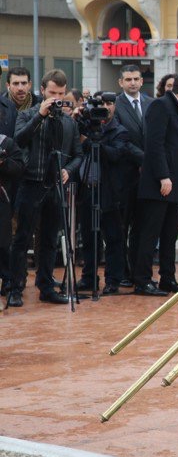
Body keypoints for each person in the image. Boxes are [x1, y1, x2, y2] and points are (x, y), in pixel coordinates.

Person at [9, 69, 83, 306]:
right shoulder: (27, 114)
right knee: (22, 238)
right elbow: (18, 141)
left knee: (50, 239)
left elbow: (78, 154)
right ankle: (15, 288)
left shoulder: (68, 122)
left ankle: (46, 287)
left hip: (55, 187)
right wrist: (40, 116)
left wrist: (68, 170)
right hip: (30, 184)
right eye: (52, 93)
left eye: (61, 94)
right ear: (42, 91)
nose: (56, 98)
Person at [133, 71, 178, 297]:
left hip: (176, 184)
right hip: (160, 184)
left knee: (170, 234)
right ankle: (143, 280)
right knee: (151, 234)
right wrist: (163, 176)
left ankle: (167, 277)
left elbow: (176, 142)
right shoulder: (161, 106)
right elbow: (154, 144)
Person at [76, 95, 137, 295]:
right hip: (87, 189)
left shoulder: (120, 131)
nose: (105, 108)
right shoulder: (86, 125)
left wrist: (91, 142)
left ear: (115, 106)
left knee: (113, 239)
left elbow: (114, 154)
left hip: (110, 192)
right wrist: (78, 119)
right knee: (88, 237)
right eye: (101, 104)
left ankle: (113, 280)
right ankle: (88, 278)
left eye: (109, 104)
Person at [112, 64, 153, 287]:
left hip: (147, 177)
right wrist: (144, 160)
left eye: (136, 79)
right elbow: (121, 139)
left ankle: (138, 272)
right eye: (128, 79)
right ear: (121, 82)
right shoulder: (115, 105)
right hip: (125, 175)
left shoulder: (150, 103)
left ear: (142, 80)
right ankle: (122, 273)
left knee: (142, 226)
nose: (133, 83)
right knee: (122, 226)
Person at [0, 131, 25, 303]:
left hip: (2, 200)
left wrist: (4, 162)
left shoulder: (6, 143)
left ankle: (7, 281)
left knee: (3, 243)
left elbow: (19, 167)